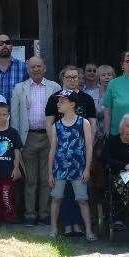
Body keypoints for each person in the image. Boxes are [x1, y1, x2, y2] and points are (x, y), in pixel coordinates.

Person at [10, 55, 61, 225]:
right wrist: (17, 141)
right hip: (28, 137)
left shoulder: (54, 87)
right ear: (28, 69)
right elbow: (15, 116)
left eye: (39, 66)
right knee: (30, 179)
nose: (36, 69)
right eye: (32, 67)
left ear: (44, 68)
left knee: (47, 178)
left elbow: (60, 114)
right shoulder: (19, 88)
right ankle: (30, 214)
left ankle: (44, 214)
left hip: (48, 137)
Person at [47, 90, 95, 240]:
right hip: (60, 168)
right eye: (58, 101)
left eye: (62, 101)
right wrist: (50, 172)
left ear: (72, 104)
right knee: (56, 198)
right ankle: (54, 229)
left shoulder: (84, 123)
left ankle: (88, 230)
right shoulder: (57, 125)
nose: (58, 104)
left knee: (82, 200)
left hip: (78, 168)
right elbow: (53, 149)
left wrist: (87, 169)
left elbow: (88, 147)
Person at [0, 34, 27, 103]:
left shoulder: (23, 67)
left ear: (12, 46)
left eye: (8, 43)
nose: (4, 45)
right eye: (0, 43)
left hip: (17, 112)